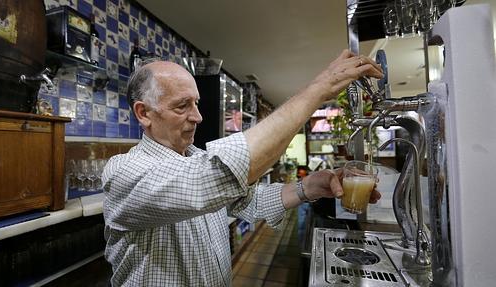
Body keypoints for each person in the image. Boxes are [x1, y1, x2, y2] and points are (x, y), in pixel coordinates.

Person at [102, 49, 383, 286]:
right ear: (144, 113)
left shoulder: (194, 156)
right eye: (182, 106)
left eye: (196, 104)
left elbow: (251, 200)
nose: (198, 117)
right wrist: (318, 90)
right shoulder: (124, 171)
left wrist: (310, 186)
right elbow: (213, 179)